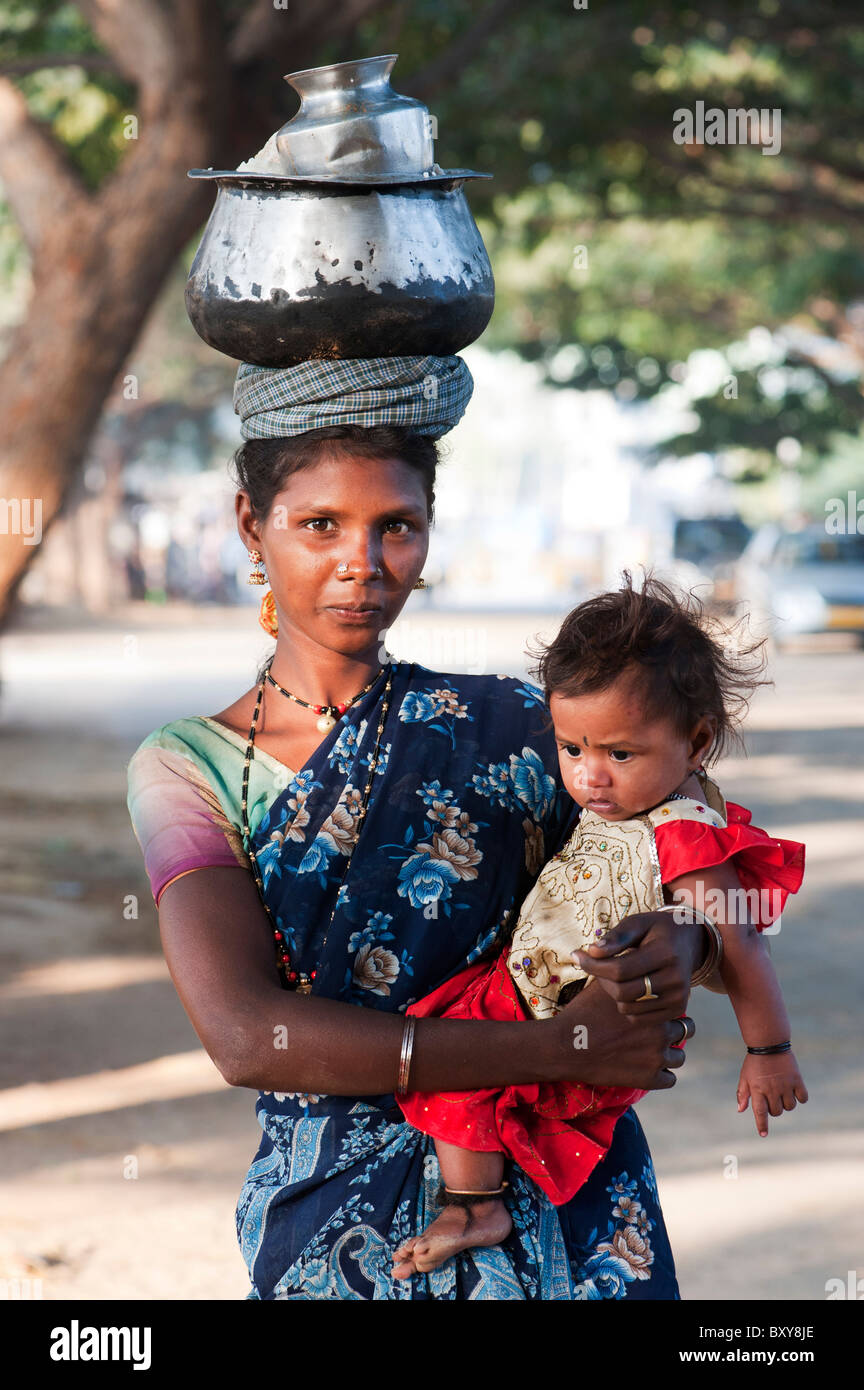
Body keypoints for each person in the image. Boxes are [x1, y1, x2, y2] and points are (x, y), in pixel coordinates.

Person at [126, 356, 716, 1301]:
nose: (362, 561)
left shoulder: (524, 724)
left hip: (565, 1191)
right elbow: (246, 1035)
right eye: (320, 524)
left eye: (396, 526)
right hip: (332, 1205)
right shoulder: (187, 767)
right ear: (252, 524)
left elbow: (688, 828)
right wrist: (558, 1049)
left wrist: (680, 941)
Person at [392, 575, 808, 1279]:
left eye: (620, 753)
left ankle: (476, 1204)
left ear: (696, 742)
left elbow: (739, 941)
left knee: (459, 1071)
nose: (591, 777)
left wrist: (769, 1050)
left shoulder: (685, 832)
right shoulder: (622, 803)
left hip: (588, 1019)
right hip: (525, 991)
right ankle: (476, 1198)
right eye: (573, 749)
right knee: (444, 1042)